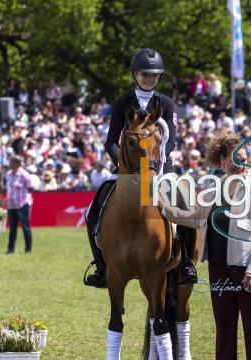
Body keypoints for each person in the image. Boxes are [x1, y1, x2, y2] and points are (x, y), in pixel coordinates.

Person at [158, 131, 251, 360]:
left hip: (249, 269)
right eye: (235, 158)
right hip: (218, 267)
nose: (241, 163)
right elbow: (194, 217)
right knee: (224, 328)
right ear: (221, 160)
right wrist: (164, 209)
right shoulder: (212, 188)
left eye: (244, 158)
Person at [83, 48, 199, 288]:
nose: (149, 78)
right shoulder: (123, 102)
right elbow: (111, 141)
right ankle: (101, 266)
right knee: (92, 209)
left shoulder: (165, 104)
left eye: (154, 74)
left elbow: (172, 139)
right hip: (128, 170)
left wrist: (157, 167)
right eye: (144, 73)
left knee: (186, 203)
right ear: (135, 74)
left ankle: (186, 261)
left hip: (160, 167)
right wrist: (123, 165)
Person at [4, 155, 33, 254]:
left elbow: (31, 187)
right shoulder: (8, 174)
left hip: (22, 204)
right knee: (12, 228)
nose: (10, 164)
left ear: (17, 163)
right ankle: (10, 248)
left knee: (25, 227)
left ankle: (28, 248)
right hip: (11, 205)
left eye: (12, 162)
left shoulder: (24, 175)